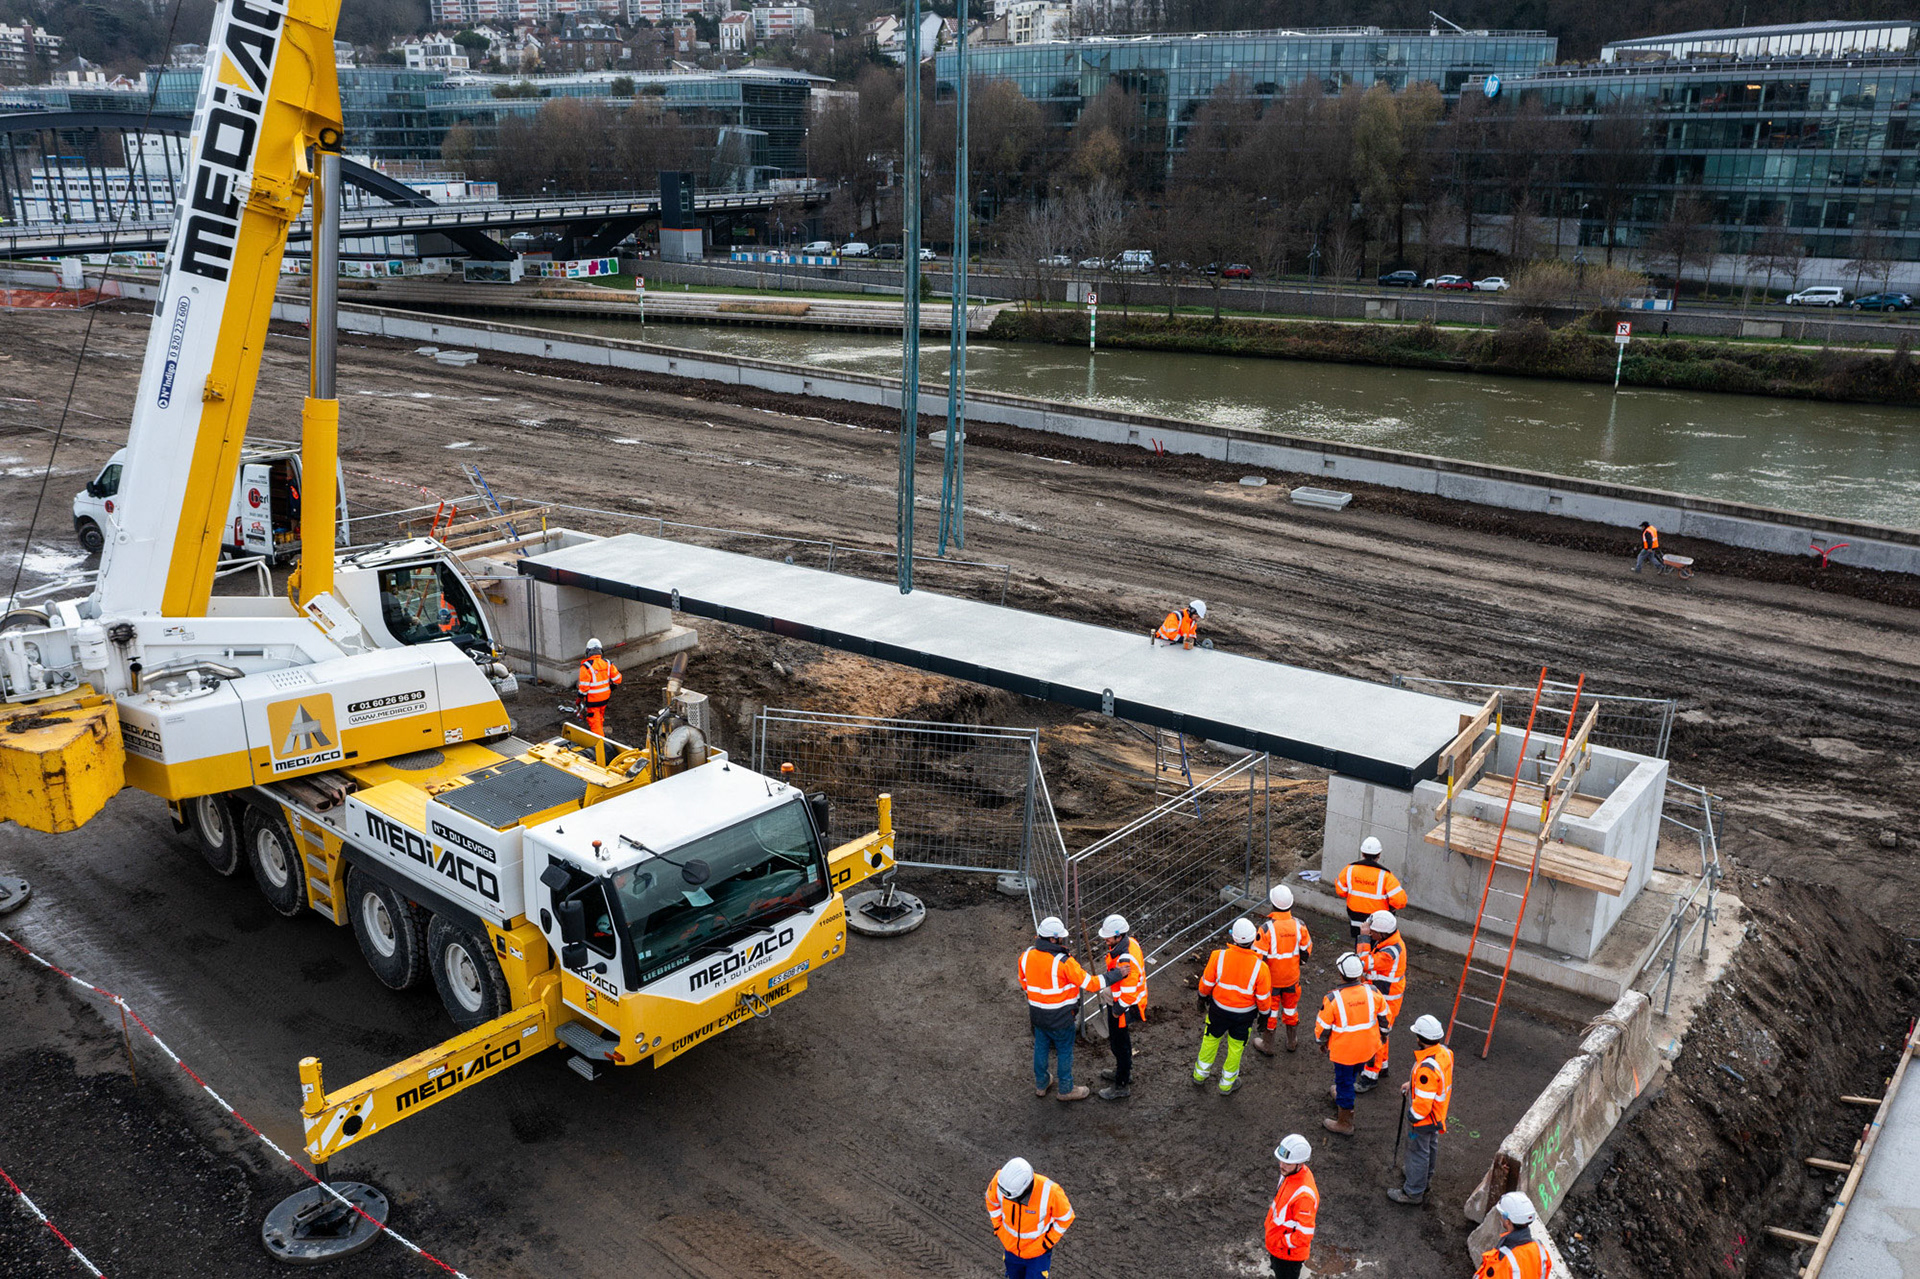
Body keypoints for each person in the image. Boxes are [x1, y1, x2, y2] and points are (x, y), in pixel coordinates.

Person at [1018, 916, 1102, 1102]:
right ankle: (1065, 1089)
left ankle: (1041, 1084)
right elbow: (1091, 984)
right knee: (1064, 1051)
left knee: (1041, 1047)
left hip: (1038, 1016)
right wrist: (1113, 976)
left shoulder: (1026, 956)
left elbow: (1024, 982)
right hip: (1062, 1018)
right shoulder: (1064, 962)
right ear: (1054, 939)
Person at [1191, 917, 1273, 1096]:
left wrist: (1201, 998)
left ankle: (1199, 1075)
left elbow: (1206, 982)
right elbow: (1263, 998)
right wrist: (1265, 1016)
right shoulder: (1261, 968)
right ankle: (1226, 1085)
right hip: (1243, 1016)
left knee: (1210, 1040)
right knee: (1236, 1048)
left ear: (1232, 938)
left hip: (1218, 1010)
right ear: (1254, 939)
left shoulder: (1218, 956)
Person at [1315, 951, 1387, 1136]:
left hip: (1344, 1053)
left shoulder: (1333, 999)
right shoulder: (1373, 992)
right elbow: (1386, 1018)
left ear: (1341, 974)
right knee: (1353, 1074)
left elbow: (1323, 1028)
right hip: (1368, 1048)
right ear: (1359, 973)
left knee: (1345, 1082)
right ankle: (1341, 1096)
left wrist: (1321, 1042)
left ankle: (1345, 1122)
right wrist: (1383, 1036)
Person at [1389, 1014, 1453, 1206]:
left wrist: (1413, 1117)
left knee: (1417, 1152)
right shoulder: (1444, 1053)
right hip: (1437, 1115)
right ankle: (1424, 1181)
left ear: (1421, 1038)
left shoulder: (1426, 1067)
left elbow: (1423, 1103)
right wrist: (1413, 1084)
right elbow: (1436, 1082)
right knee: (1430, 1147)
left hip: (1424, 1119)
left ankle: (1413, 1192)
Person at [985, 1157, 1075, 1279]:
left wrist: (1046, 1243)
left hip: (1037, 1254)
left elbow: (1066, 1218)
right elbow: (991, 1202)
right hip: (1011, 1250)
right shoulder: (1002, 1182)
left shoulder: (1051, 1192)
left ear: (1026, 1187)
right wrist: (998, 1227)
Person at [1252, 884, 1313, 1055]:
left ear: (1273, 904)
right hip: (1292, 979)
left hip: (1271, 981)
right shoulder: (1300, 926)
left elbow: (1259, 958)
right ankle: (1291, 1042)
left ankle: (1267, 1045)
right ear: (1291, 904)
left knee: (1271, 1012)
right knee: (1290, 1009)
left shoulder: (1266, 929)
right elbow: (1306, 951)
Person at [1356, 909, 1407, 1093]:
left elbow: (1363, 962)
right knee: (1382, 1035)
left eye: (1372, 931)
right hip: (1384, 998)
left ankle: (1369, 1077)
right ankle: (1382, 1066)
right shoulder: (1390, 942)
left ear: (1383, 933)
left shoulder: (1389, 952)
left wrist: (1363, 940)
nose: (1369, 932)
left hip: (1385, 1001)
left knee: (1375, 1038)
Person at [1097, 914, 1147, 1101]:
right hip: (1123, 1003)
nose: (1105, 939)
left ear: (1119, 936)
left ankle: (1122, 1084)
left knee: (1120, 1044)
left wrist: (1118, 1010)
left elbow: (1128, 992)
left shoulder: (1125, 958)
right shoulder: (1129, 943)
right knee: (1121, 1042)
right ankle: (1123, 1071)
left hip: (1123, 1007)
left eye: (1108, 937)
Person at [1263, 1134, 1319, 1279]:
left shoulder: (1304, 1196)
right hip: (1279, 1249)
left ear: (1300, 1163)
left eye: (1287, 1163)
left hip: (1287, 1255)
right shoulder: (1290, 1172)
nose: (1281, 1165)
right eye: (1281, 1161)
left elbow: (1304, 1236)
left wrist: (1280, 1243)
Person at [1334, 837, 1408, 943]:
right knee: (1377, 947)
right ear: (1379, 855)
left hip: (1356, 918)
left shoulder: (1349, 870)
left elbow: (1341, 890)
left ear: (1362, 853)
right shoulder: (1385, 876)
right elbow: (1400, 901)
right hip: (1378, 922)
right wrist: (1391, 908)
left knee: (1360, 942)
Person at [1476, 1192, 1551, 1278]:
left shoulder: (1504, 1259)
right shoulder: (1540, 1250)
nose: (1500, 1218)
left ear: (1508, 1222)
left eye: (1501, 1215)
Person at [575, 637, 622, 737]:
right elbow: (618, 679)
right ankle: (601, 732)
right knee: (600, 717)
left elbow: (583, 689)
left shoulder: (586, 666)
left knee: (594, 722)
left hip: (592, 701)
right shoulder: (607, 663)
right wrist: (612, 686)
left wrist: (579, 699)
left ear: (588, 652)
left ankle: (601, 743)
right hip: (605, 699)